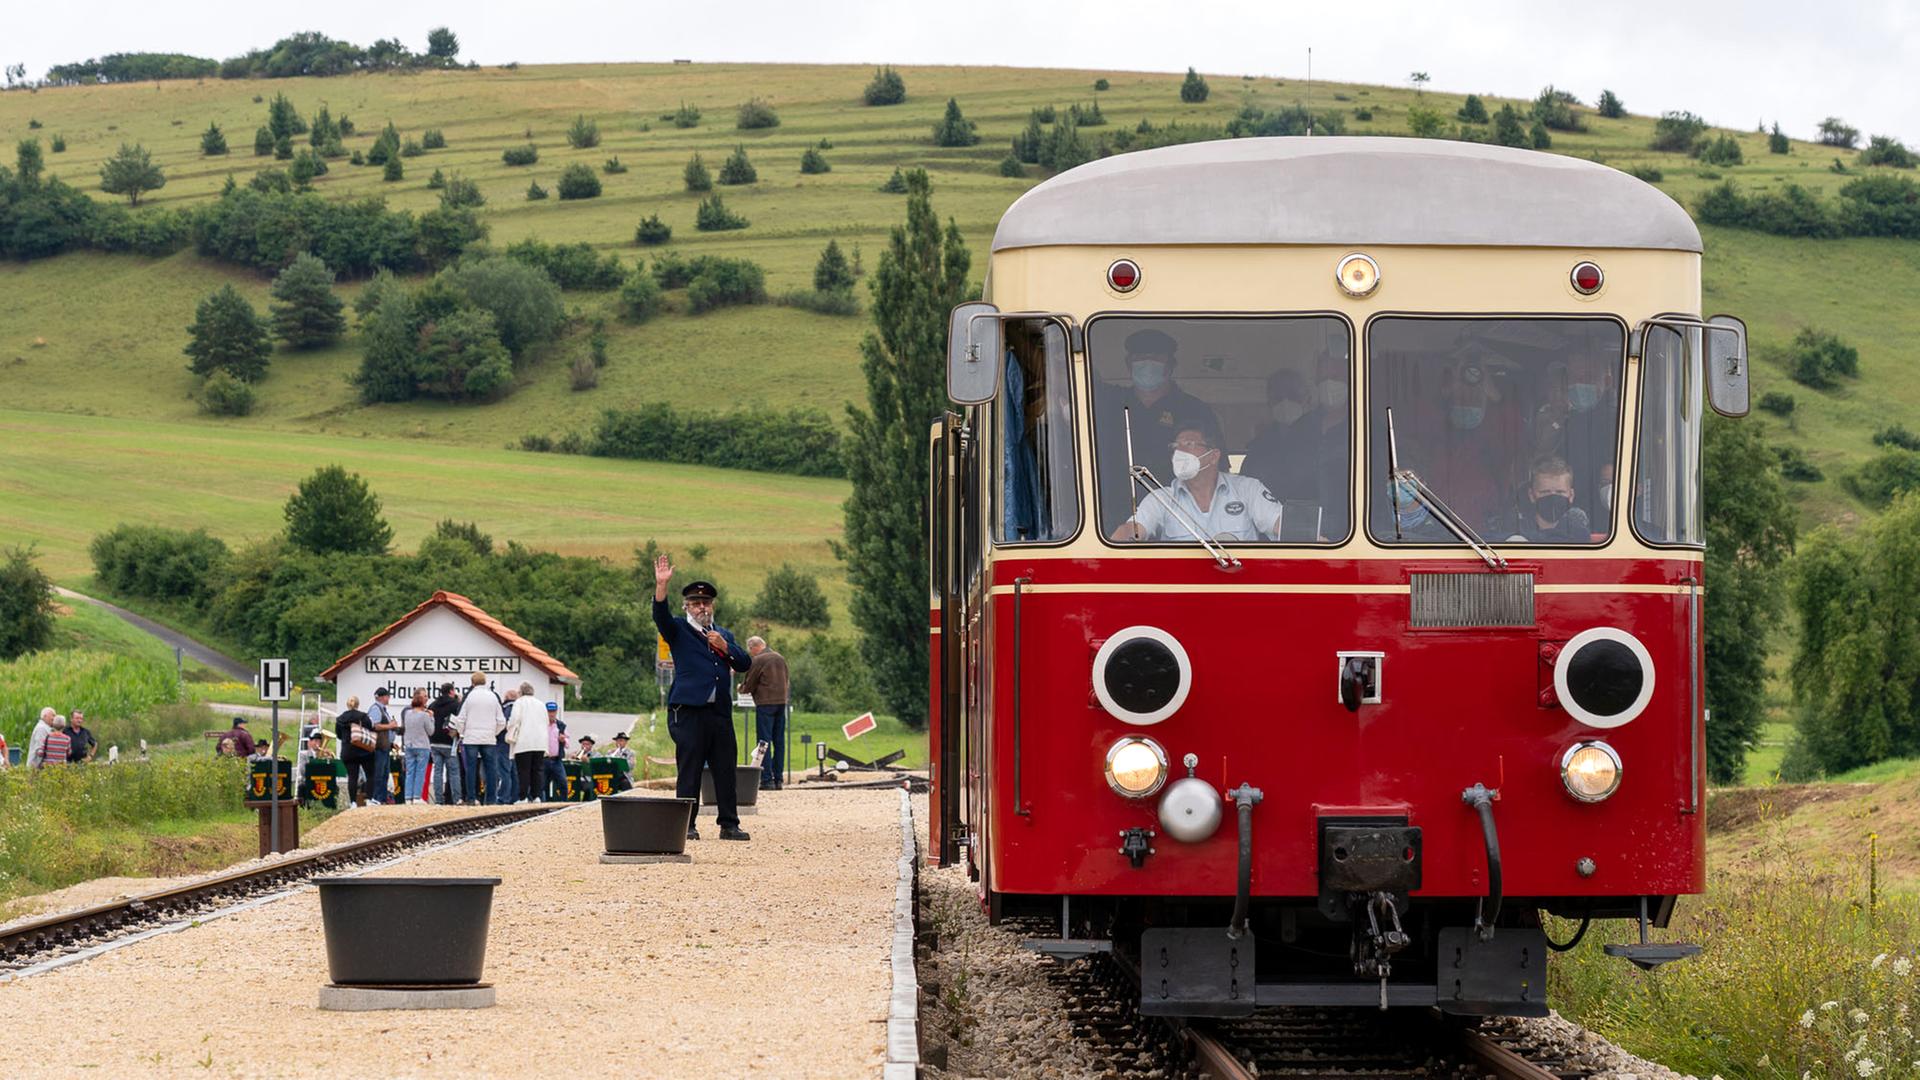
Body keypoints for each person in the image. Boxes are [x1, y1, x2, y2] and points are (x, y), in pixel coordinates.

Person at [651, 554, 753, 841]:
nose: (701, 607)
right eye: (696, 603)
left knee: (725, 769)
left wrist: (726, 647)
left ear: (712, 606)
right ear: (687, 607)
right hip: (689, 711)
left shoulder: (722, 633)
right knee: (690, 768)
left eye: (706, 603)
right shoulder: (679, 630)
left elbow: (744, 663)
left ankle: (729, 824)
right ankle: (686, 824)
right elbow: (659, 616)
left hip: (719, 711)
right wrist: (661, 586)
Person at [1094, 328, 1223, 535]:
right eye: (1141, 357)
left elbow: (1215, 467)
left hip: (1180, 521)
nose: (1147, 363)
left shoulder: (1195, 409)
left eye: (1155, 357)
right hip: (1110, 522)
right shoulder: (1107, 402)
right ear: (1129, 364)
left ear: (1170, 366)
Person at [1240, 352, 1351, 540]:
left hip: (1323, 531)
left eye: (1292, 395)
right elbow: (1244, 492)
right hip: (1268, 535)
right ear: (1268, 401)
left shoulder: (1324, 436)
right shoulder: (1259, 447)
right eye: (1278, 397)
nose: (1285, 402)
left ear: (1307, 397)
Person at [1111, 425, 1283, 542]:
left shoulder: (1248, 489)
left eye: (1189, 444)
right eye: (1176, 446)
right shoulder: (1160, 498)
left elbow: (1280, 525)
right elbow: (1133, 529)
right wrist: (1121, 537)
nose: (1180, 451)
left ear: (1213, 456)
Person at [1488, 455, 1591, 543]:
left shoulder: (1576, 525)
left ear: (1571, 495)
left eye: (1560, 492)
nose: (1553, 497)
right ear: (1532, 495)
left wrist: (1525, 539)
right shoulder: (1515, 524)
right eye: (1545, 492)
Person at [741, 636, 790, 790]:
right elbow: (787, 679)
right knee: (779, 741)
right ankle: (779, 779)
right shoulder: (780, 658)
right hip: (781, 703)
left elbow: (749, 683)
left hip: (765, 704)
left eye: (750, 650)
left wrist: (741, 688)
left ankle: (767, 779)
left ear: (753, 647)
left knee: (764, 742)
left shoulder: (758, 660)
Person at [455, 673, 508, 805]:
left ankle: (472, 798)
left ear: (472, 683)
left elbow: (460, 720)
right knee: (491, 769)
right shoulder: (493, 697)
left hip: (471, 738)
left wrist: (463, 733)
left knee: (471, 769)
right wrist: (493, 733)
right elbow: (501, 721)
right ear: (485, 682)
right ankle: (491, 799)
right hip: (489, 738)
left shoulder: (469, 697)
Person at [506, 682, 550, 803]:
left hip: (523, 742)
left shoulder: (519, 702)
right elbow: (546, 721)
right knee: (537, 770)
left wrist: (508, 728)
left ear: (521, 692)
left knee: (523, 771)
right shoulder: (541, 704)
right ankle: (536, 796)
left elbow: (514, 719)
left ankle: (523, 797)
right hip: (540, 742)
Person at [335, 695, 375, 808]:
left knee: (352, 777)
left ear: (347, 704)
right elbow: (370, 730)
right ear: (357, 704)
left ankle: (353, 802)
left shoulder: (340, 719)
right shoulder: (363, 716)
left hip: (348, 751)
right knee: (370, 774)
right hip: (364, 751)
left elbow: (338, 735)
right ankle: (369, 799)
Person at [428, 683, 463, 805]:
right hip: (449, 742)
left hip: (434, 742)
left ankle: (439, 800)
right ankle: (457, 798)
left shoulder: (432, 705)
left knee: (437, 771)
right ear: (451, 691)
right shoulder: (455, 705)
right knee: (453, 771)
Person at [365, 688, 400, 805]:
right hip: (379, 747)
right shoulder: (376, 709)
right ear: (381, 697)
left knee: (384, 774)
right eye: (387, 696)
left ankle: (382, 798)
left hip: (385, 746)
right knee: (379, 774)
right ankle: (376, 798)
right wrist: (390, 726)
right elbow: (374, 726)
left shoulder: (383, 710)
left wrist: (391, 743)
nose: (388, 698)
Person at [401, 690, 435, 804]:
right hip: (422, 745)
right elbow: (431, 731)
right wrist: (432, 718)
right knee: (420, 772)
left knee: (410, 772)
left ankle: (408, 797)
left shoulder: (407, 713)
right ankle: (417, 796)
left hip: (409, 744)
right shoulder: (425, 715)